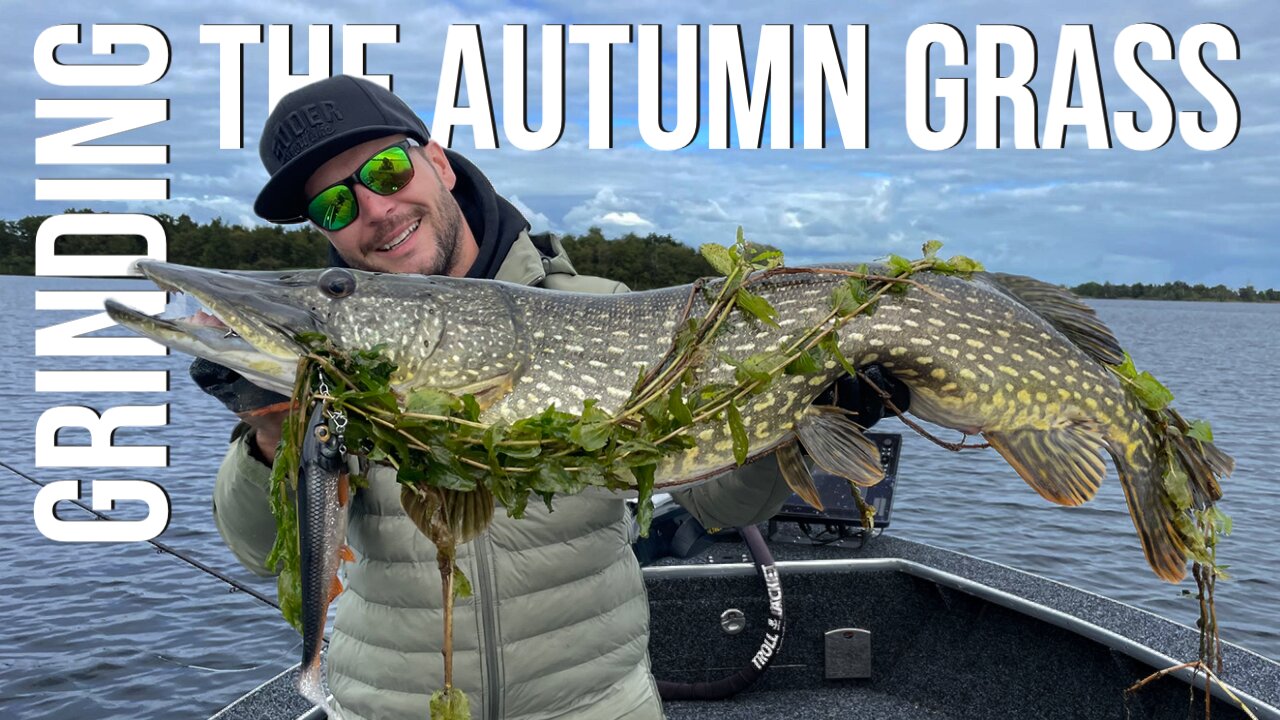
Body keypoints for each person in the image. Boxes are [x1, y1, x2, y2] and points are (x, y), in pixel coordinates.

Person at [194, 75, 905, 720]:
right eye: (335, 202)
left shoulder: (604, 309)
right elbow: (262, 552)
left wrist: (816, 412)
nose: (375, 209)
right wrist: (267, 431)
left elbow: (724, 506)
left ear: (436, 162)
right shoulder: (334, 354)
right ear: (323, 229)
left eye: (386, 169)